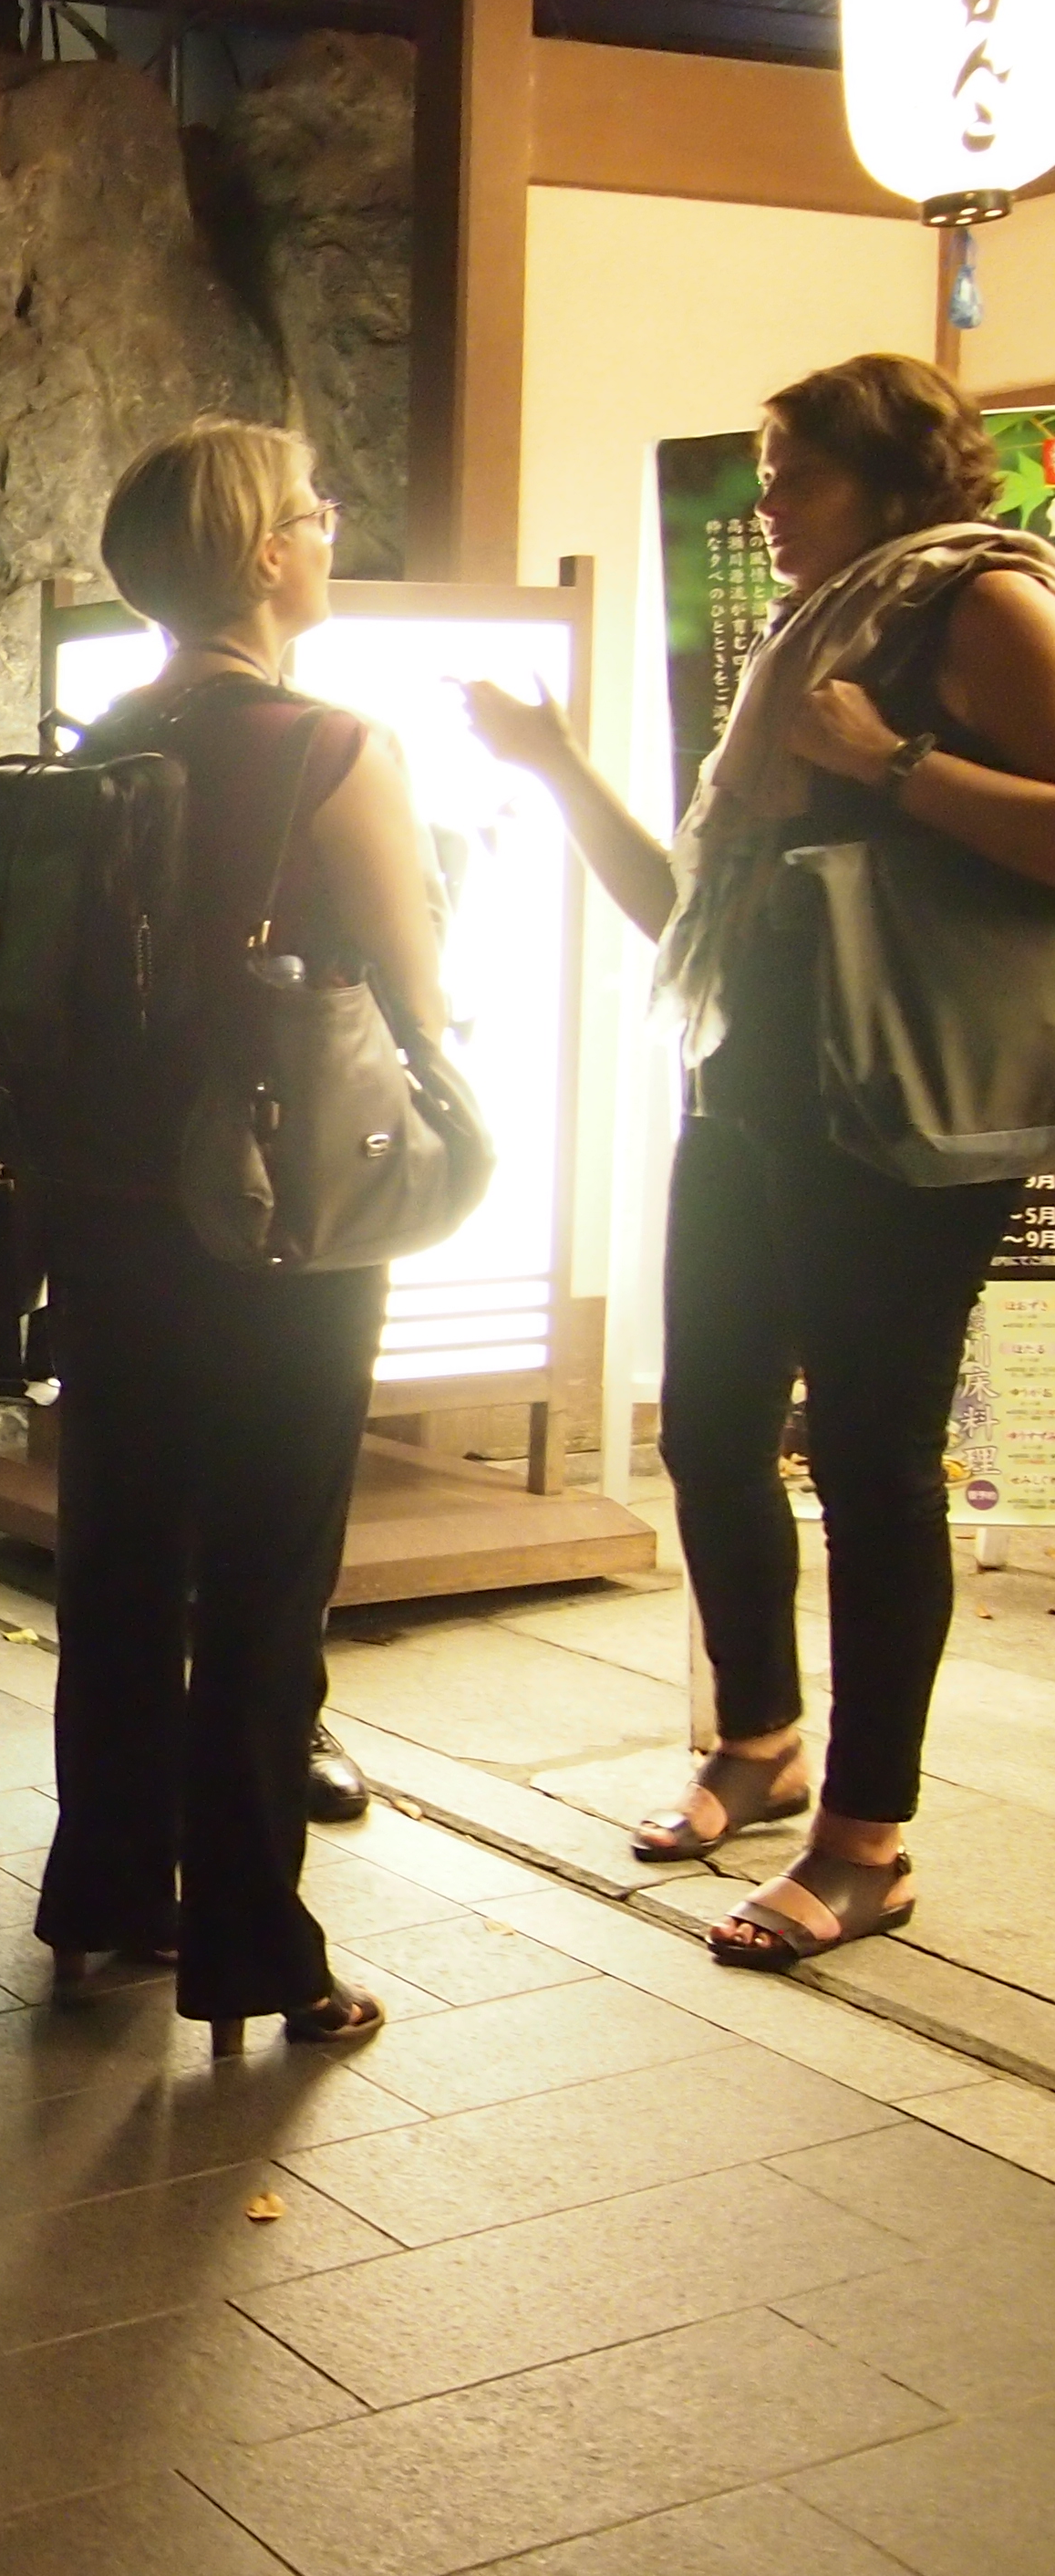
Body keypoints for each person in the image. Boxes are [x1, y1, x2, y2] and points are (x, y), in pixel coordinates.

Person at [471, 352, 1055, 1968]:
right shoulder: (811, 642)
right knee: (713, 1430)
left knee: (871, 1463)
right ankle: (759, 1741)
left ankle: (867, 1840)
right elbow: (688, 910)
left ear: (892, 475)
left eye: (797, 472)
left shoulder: (977, 606)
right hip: (755, 1081)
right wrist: (551, 761)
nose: (769, 500)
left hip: (903, 1113)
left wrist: (891, 764)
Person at [36, 420, 443, 2051]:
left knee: (121, 1560)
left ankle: (107, 1894)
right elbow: (417, 985)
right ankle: (256, 1946)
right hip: (276, 1216)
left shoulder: (97, 741)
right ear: (265, 557)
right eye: (313, 512)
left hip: (103, 1208)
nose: (330, 528)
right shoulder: (327, 747)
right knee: (269, 1580)